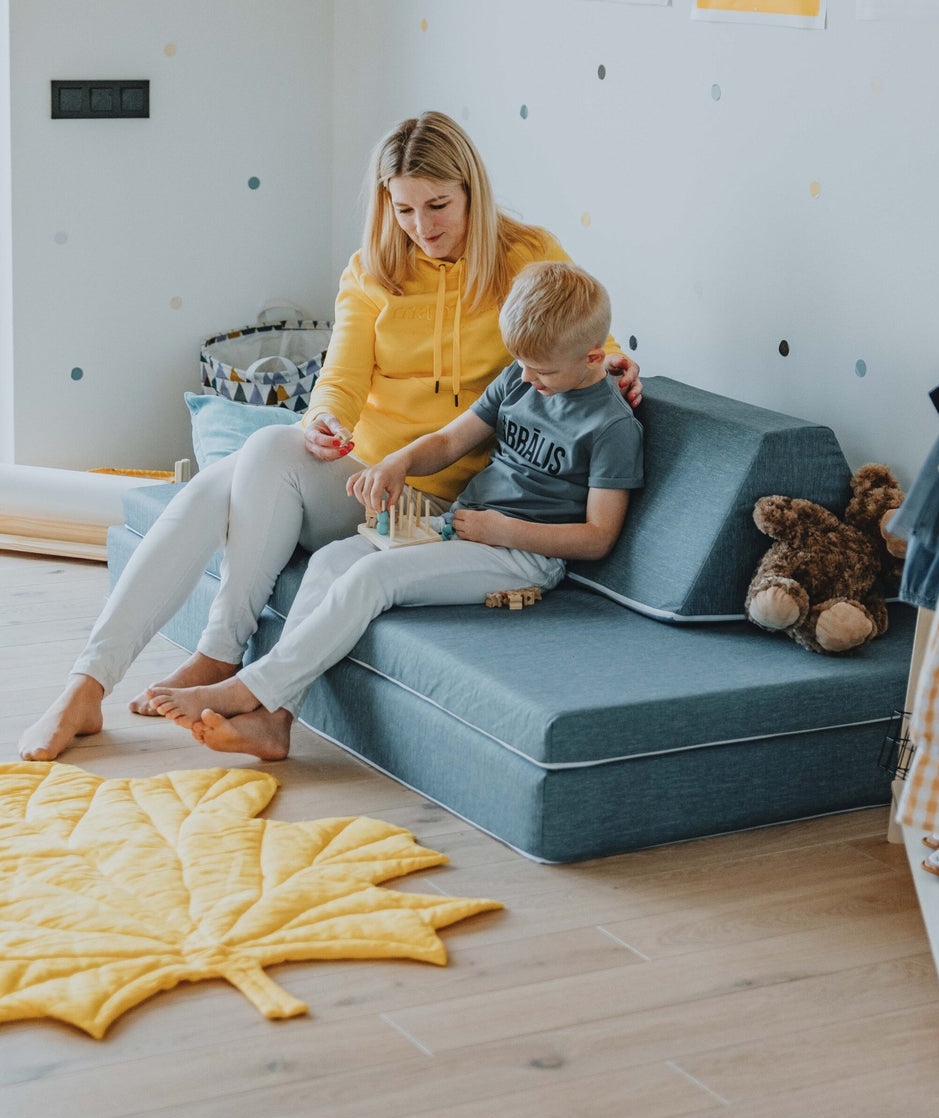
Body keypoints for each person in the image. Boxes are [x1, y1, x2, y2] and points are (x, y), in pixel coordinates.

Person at [19, 112, 640, 762]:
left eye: (438, 206)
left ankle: (220, 661)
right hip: (370, 483)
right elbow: (340, 379)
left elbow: (580, 338)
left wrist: (622, 366)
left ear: (471, 193)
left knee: (226, 480)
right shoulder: (373, 270)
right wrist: (325, 421)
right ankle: (88, 683)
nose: (422, 227)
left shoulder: (528, 254)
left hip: (445, 504)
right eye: (403, 209)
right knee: (259, 455)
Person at [148, 261, 643, 760]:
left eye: (543, 371)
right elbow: (449, 441)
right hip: (463, 526)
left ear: (593, 356)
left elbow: (598, 536)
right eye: (522, 364)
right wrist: (398, 464)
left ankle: (247, 690)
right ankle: (276, 719)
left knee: (374, 577)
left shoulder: (610, 426)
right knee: (333, 560)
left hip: (525, 557)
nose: (529, 378)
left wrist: (502, 530)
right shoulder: (520, 378)